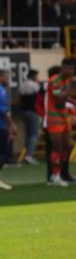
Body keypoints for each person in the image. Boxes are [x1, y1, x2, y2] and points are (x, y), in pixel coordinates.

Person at [45, 57, 75, 186]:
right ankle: (54, 176)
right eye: (72, 69)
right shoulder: (54, 80)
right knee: (57, 147)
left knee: (67, 145)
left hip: (64, 116)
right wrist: (71, 89)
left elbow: (68, 96)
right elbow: (58, 101)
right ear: (65, 68)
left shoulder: (67, 80)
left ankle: (61, 173)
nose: (73, 72)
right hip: (54, 117)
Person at [19, 69, 42, 165]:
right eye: (36, 76)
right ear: (33, 76)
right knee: (34, 134)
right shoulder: (34, 85)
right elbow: (40, 96)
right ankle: (29, 155)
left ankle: (27, 155)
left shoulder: (22, 85)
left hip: (24, 112)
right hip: (33, 112)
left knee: (28, 135)